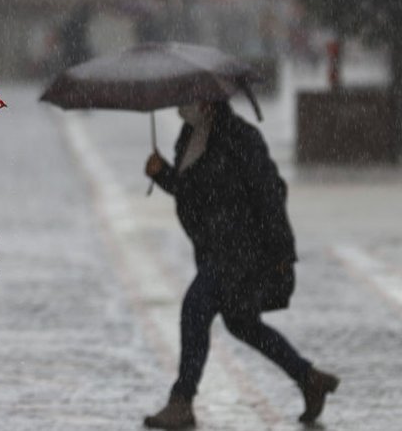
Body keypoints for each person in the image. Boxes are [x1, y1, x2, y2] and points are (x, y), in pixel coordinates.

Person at [142, 101, 339, 428]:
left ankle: (182, 401)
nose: (182, 105)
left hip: (242, 249)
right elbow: (192, 192)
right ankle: (309, 378)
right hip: (215, 248)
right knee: (241, 322)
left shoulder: (240, 137)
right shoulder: (190, 136)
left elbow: (269, 194)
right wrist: (163, 174)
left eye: (190, 98)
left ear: (209, 101)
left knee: (196, 307)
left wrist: (282, 253)